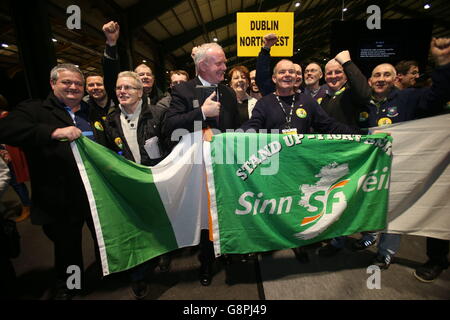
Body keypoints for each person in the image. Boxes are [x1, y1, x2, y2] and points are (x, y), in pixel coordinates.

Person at [0, 63, 101, 300]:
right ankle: (72, 286)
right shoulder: (35, 109)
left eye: (78, 83)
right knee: (69, 247)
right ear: (53, 83)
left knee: (102, 237)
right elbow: (6, 129)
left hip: (95, 192)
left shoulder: (90, 111)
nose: (74, 87)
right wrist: (53, 133)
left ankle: (108, 272)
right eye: (67, 82)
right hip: (60, 199)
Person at [355, 38, 450, 274]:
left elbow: (438, 95)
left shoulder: (409, 98)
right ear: (370, 80)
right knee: (368, 206)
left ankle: (386, 253)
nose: (381, 79)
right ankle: (368, 238)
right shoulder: (363, 104)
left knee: (393, 210)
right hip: (370, 169)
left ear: (395, 78)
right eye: (376, 75)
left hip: (400, 167)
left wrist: (443, 63)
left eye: (387, 75)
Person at [165, 42, 240, 286]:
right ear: (203, 65)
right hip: (199, 170)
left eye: (224, 63)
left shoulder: (228, 92)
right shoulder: (184, 91)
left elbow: (235, 128)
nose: (225, 67)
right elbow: (170, 126)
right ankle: (207, 261)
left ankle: (227, 252)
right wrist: (201, 113)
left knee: (227, 210)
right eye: (220, 63)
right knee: (208, 217)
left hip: (226, 165)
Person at [103, 71, 166, 299]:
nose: (122, 91)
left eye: (128, 87)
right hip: (129, 184)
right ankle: (138, 275)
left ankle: (162, 255)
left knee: (157, 222)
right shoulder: (110, 120)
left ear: (140, 93)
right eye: (119, 88)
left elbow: (171, 148)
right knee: (136, 227)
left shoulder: (158, 114)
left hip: (156, 179)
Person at [102, 21, 167, 107]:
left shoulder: (164, 97)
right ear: (134, 78)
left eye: (148, 74)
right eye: (141, 74)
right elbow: (111, 75)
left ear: (153, 78)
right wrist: (111, 43)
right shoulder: (124, 96)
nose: (145, 77)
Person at [83, 73, 114, 146]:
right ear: (86, 89)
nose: (95, 87)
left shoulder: (118, 104)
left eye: (99, 84)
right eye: (91, 85)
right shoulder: (83, 108)